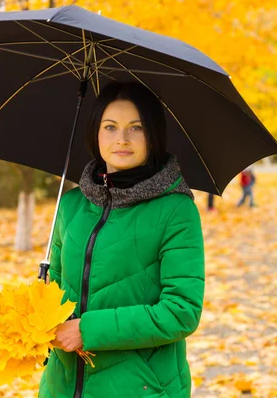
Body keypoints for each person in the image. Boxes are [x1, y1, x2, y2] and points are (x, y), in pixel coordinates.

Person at [39, 81, 205, 398]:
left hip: (140, 387)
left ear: (153, 135)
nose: (122, 139)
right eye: (111, 127)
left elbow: (181, 311)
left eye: (136, 128)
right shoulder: (72, 204)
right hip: (61, 386)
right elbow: (56, 291)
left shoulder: (176, 211)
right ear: (96, 133)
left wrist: (88, 331)